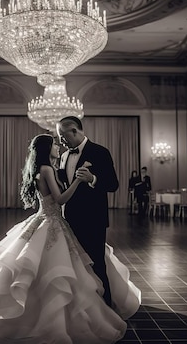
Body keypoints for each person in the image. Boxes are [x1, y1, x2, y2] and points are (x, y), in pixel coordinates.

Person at [0, 134, 140, 344]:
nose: (58, 146)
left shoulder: (44, 168)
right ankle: (47, 316)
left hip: (48, 220)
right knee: (53, 271)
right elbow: (61, 198)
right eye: (55, 144)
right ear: (47, 148)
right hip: (51, 221)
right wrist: (78, 179)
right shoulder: (47, 170)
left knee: (40, 271)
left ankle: (35, 312)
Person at [56, 116, 119, 307]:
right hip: (69, 219)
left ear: (75, 130)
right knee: (74, 264)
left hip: (93, 219)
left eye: (62, 135)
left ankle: (105, 306)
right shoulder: (64, 157)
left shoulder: (100, 152)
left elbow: (113, 185)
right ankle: (81, 305)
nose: (60, 141)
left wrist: (93, 178)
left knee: (96, 263)